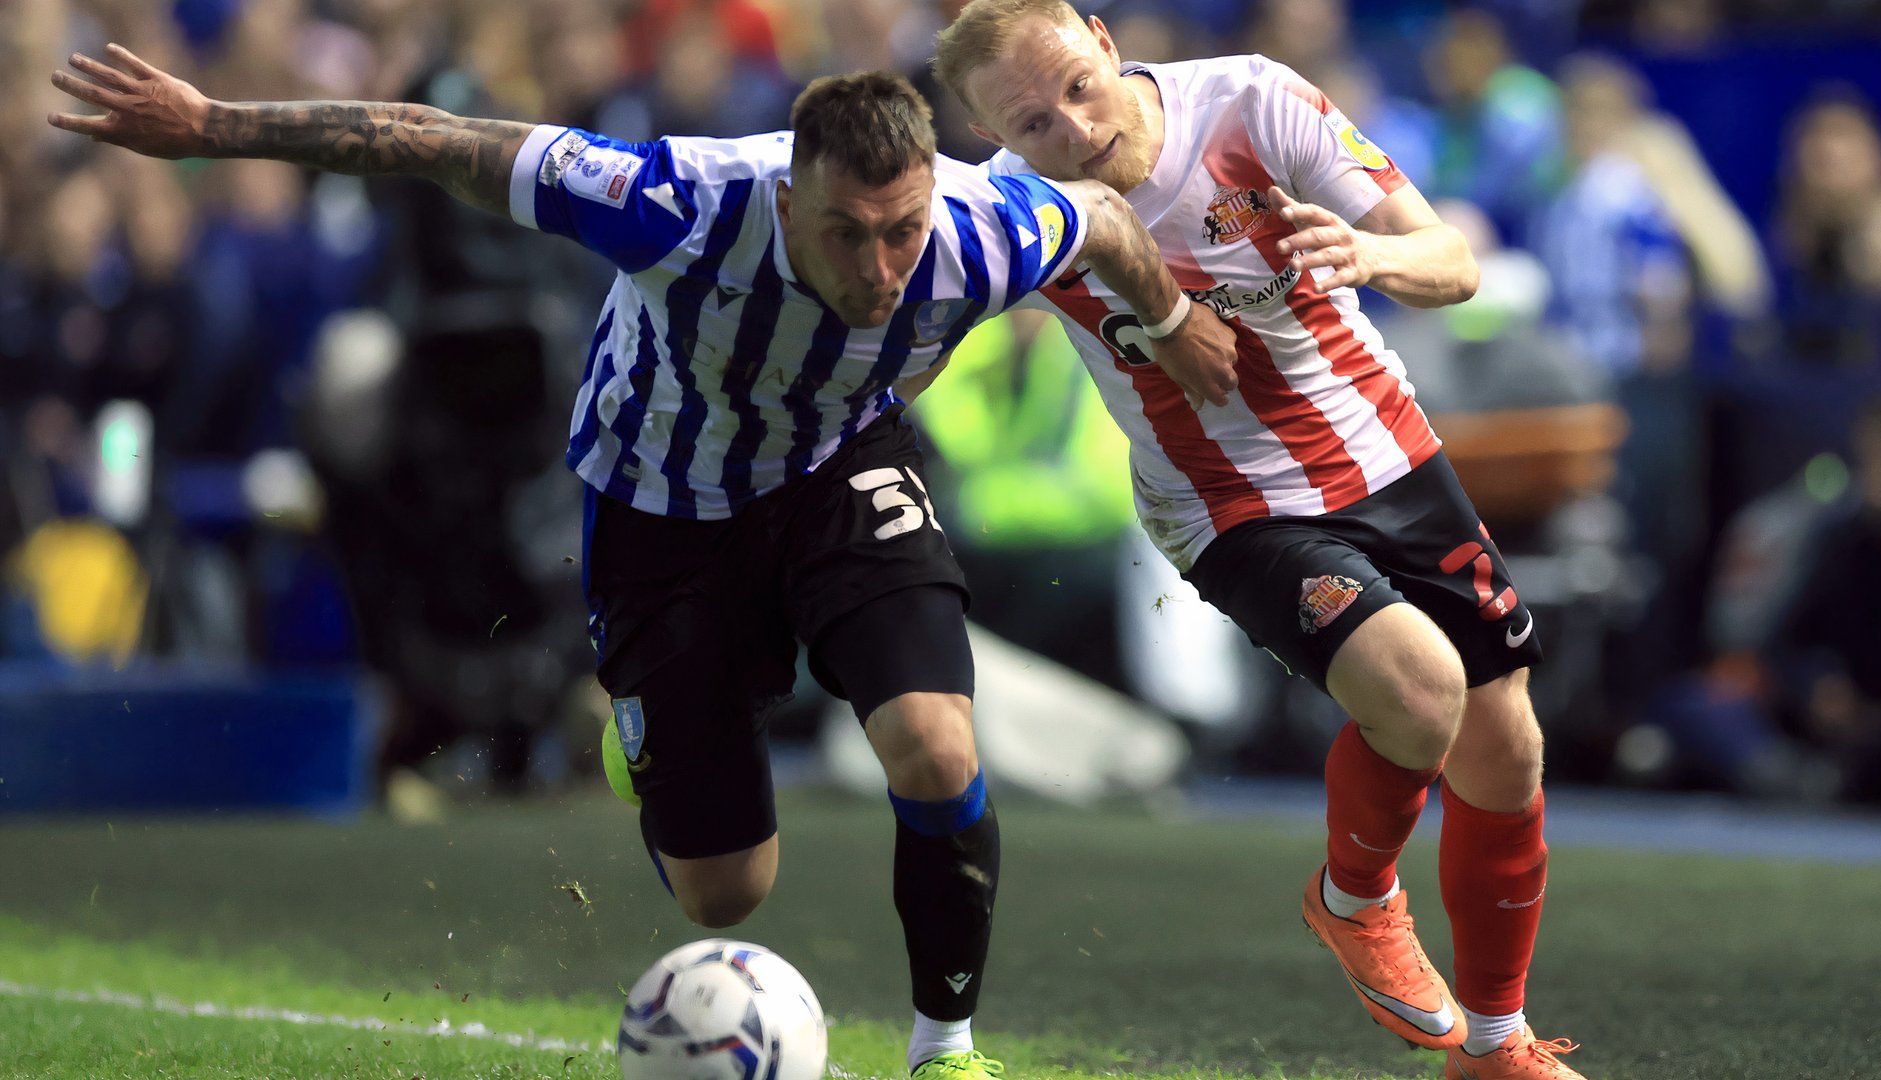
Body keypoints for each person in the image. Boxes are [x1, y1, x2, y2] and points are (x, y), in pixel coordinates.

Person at [49, 44, 1238, 1078]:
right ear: (788, 196)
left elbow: (1111, 224)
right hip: (663, 507)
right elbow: (433, 139)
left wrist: (1175, 327)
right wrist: (212, 128)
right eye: (847, 234)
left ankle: (948, 1049)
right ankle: (637, 725)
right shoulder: (674, 199)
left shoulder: (982, 230)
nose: (882, 270)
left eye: (902, 232)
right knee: (728, 895)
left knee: (934, 743)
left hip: (839, 471)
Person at [933, 4, 1582, 1077]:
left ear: (1103, 37)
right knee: (1423, 692)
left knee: (1506, 747)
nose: (1074, 130)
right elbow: (908, 323)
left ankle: (1498, 1045)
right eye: (1033, 124)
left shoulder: (1248, 100)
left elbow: (1455, 261)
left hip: (1392, 453)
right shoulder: (1007, 205)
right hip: (1231, 506)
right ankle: (1355, 898)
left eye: (1078, 88)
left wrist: (1370, 251)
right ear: (993, 132)